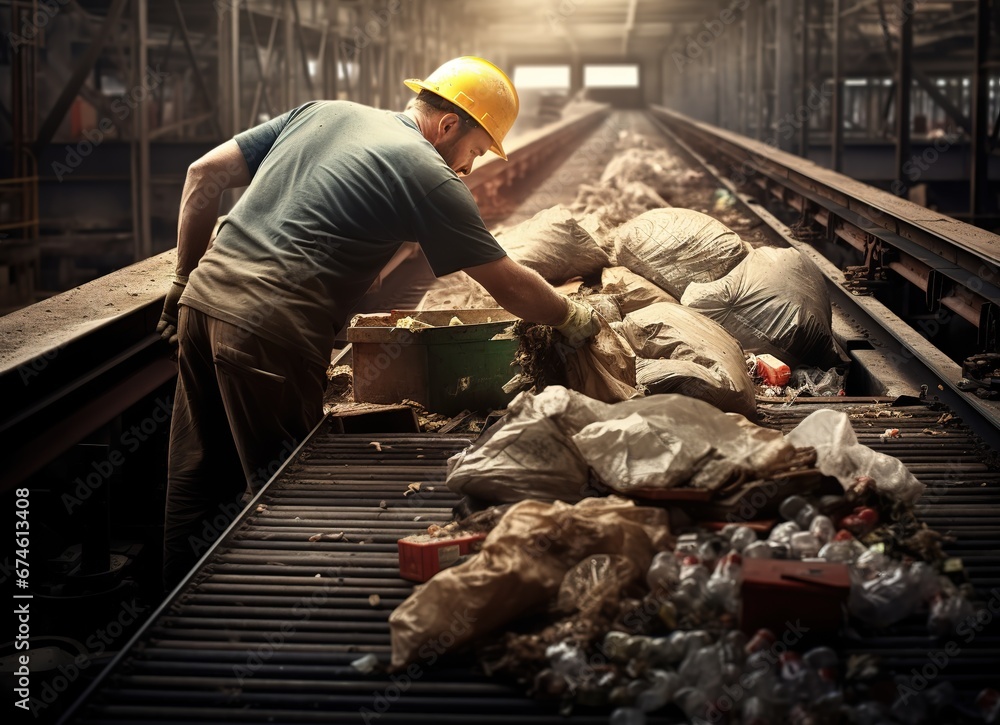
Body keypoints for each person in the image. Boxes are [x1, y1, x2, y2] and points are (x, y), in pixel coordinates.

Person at [155, 56, 599, 590]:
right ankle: (275, 627)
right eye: (477, 150)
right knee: (284, 491)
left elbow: (203, 175)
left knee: (197, 477)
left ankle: (173, 604)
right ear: (449, 124)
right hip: (269, 333)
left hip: (200, 305)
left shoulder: (323, 111)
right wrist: (569, 315)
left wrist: (182, 279)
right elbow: (503, 280)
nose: (472, 167)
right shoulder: (430, 174)